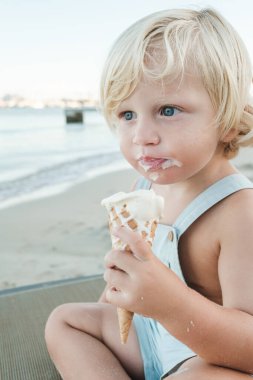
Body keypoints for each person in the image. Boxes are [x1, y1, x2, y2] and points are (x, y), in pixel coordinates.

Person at [45, 7, 253, 379]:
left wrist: (173, 307)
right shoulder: (144, 188)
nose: (142, 136)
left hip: (205, 358)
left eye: (168, 110)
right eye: (126, 115)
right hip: (145, 338)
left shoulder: (239, 212)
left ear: (226, 118)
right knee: (65, 322)